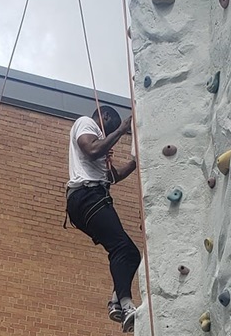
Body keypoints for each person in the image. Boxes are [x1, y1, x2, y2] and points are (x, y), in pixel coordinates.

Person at [64, 105, 141, 332]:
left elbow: (113, 177)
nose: (109, 134)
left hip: (89, 198)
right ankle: (126, 305)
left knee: (130, 253)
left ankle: (117, 301)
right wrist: (120, 131)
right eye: (111, 127)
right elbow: (91, 150)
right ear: (104, 116)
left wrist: (136, 163)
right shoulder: (87, 123)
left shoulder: (100, 144)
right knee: (121, 249)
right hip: (87, 195)